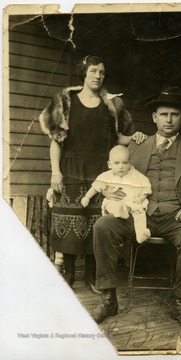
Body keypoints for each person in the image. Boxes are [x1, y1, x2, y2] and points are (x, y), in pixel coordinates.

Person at [92, 86, 181, 334]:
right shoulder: (137, 146)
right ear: (154, 117)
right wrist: (107, 192)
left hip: (176, 216)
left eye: (174, 114)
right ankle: (108, 299)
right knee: (103, 226)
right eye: (163, 114)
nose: (168, 119)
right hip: (140, 213)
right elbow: (113, 174)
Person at [39, 55, 147, 290]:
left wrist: (135, 137)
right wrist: (55, 172)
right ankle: (68, 275)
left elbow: (118, 138)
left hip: (101, 172)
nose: (98, 76)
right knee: (67, 220)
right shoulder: (65, 102)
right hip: (70, 169)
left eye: (102, 72)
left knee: (95, 221)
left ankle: (90, 275)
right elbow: (56, 141)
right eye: (93, 71)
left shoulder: (112, 105)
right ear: (84, 74)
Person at [81, 145, 152, 243]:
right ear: (110, 165)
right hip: (115, 203)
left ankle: (141, 234)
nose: (121, 166)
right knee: (110, 204)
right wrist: (87, 197)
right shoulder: (106, 176)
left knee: (140, 214)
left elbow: (146, 187)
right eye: (117, 163)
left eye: (125, 163)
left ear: (130, 164)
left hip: (132, 203)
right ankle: (120, 211)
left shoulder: (136, 175)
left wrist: (141, 197)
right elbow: (95, 187)